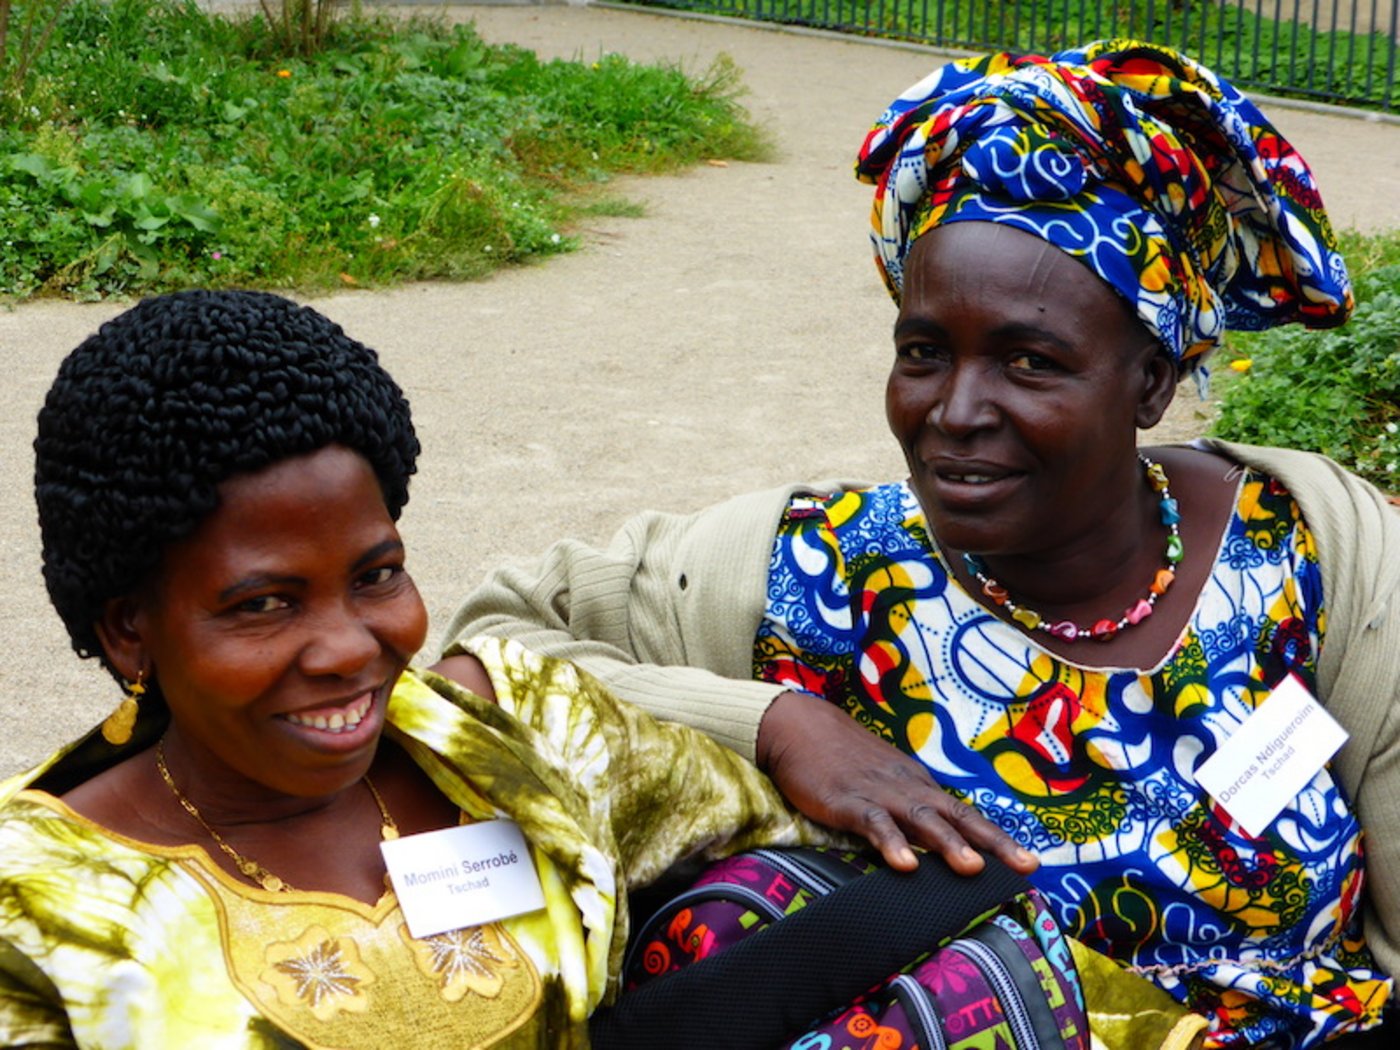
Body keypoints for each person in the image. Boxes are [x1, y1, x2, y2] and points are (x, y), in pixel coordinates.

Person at [441, 41, 1400, 1048]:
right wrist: (771, 723)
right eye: (924, 352)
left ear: (1149, 382)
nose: (954, 410)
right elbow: (483, 658)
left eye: (1029, 361)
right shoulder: (812, 576)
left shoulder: (1315, 559)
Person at [0, 290, 842, 1047]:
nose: (349, 648)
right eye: (263, 604)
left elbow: (805, 855)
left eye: (375, 577)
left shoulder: (521, 736)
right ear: (126, 631)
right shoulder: (38, 911)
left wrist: (784, 725)